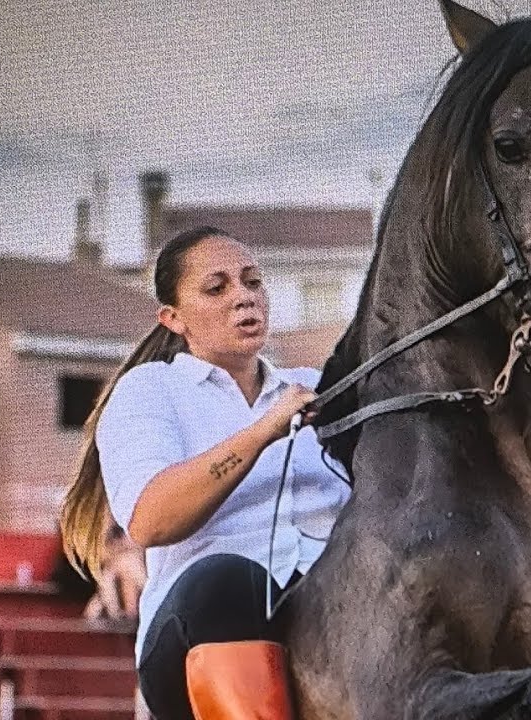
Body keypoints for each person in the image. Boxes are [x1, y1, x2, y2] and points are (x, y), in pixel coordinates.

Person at [58, 226, 351, 720]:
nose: (244, 297)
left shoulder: (317, 387)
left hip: (330, 614)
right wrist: (265, 430)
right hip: (198, 631)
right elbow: (151, 520)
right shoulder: (149, 392)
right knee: (227, 577)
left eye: (253, 282)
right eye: (217, 288)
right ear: (173, 318)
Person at [83, 523, 146, 623]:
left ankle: (126, 612)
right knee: (111, 579)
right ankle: (119, 612)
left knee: (127, 567)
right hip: (116, 567)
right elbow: (103, 556)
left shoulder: (136, 531)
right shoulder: (107, 533)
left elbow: (138, 547)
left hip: (133, 567)